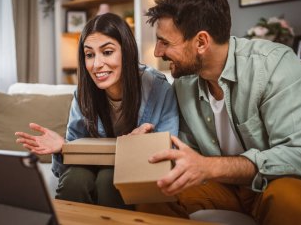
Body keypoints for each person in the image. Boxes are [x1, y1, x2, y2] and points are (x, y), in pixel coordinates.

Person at [135, 0, 301, 224]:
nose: (157, 53)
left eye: (166, 42)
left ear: (201, 42)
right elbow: (185, 153)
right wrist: (147, 145)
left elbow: (298, 154)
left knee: (290, 199)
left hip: (274, 183)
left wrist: (211, 167)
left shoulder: (274, 66)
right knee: (156, 190)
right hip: (222, 188)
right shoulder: (183, 85)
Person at [15, 13, 179, 209]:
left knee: (108, 179)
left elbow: (171, 154)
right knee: (75, 179)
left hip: (133, 171)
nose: (96, 64)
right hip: (89, 169)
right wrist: (63, 148)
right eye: (89, 54)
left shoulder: (159, 88)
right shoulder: (83, 93)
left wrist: (139, 147)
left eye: (107, 52)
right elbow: (67, 164)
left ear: (126, 51)